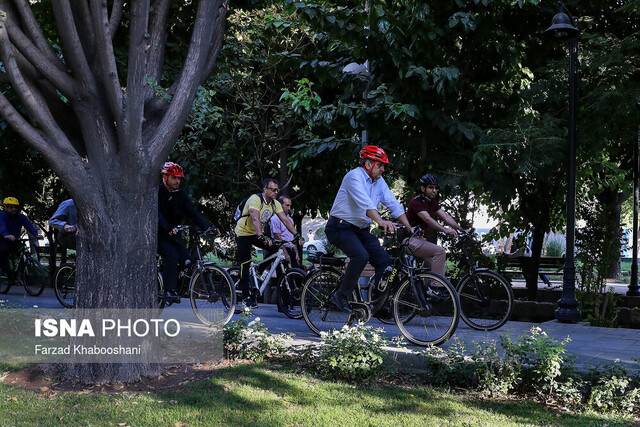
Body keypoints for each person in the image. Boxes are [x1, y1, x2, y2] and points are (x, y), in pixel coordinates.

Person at [324, 145, 413, 313]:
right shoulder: (353, 177)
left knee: (384, 261)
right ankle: (340, 296)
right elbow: (365, 203)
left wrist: (408, 226)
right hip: (340, 227)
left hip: (360, 230)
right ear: (368, 164)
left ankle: (378, 302)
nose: (383, 169)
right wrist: (380, 221)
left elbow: (392, 203)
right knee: (361, 256)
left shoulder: (378, 181)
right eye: (380, 165)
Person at [235, 178, 299, 309]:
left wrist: (296, 234)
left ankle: (259, 269)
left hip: (258, 234)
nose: (276, 192)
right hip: (243, 233)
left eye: (277, 190)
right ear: (265, 190)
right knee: (246, 262)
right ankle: (246, 297)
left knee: (277, 248)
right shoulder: (255, 199)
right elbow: (255, 217)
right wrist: (261, 235)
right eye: (273, 189)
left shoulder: (275, 204)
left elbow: (286, 220)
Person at [158, 162, 210, 302]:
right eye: (174, 178)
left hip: (175, 235)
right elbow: (157, 214)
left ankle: (176, 286)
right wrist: (167, 227)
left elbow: (192, 212)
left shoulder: (180, 194)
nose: (177, 181)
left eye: (179, 178)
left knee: (187, 260)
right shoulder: (158, 192)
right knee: (171, 255)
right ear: (166, 177)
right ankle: (168, 290)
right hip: (159, 235)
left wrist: (207, 227)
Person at [405, 174, 464, 277]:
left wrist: (461, 229)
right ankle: (436, 288)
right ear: (423, 188)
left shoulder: (432, 202)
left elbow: (445, 216)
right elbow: (428, 219)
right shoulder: (417, 202)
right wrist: (445, 230)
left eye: (436, 188)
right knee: (440, 252)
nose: (434, 190)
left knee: (433, 268)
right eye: (431, 187)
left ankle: (428, 291)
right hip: (409, 240)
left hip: (420, 240)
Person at [0, 197, 42, 283]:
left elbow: (28, 225)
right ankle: (7, 273)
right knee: (3, 254)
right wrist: (6, 235)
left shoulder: (20, 217)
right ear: (6, 207)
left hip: (14, 239)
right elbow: (2, 226)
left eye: (15, 207)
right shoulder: (2, 215)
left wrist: (36, 235)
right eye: (11, 207)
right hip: (3, 239)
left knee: (23, 251)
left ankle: (24, 275)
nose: (14, 209)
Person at [270, 196, 302, 269]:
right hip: (282, 250)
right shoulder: (275, 219)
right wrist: (285, 253)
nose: (289, 208)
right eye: (287, 205)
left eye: (290, 205)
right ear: (280, 205)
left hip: (291, 250)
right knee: (283, 277)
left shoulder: (290, 219)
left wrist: (296, 253)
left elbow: (292, 237)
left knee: (295, 275)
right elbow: (277, 237)